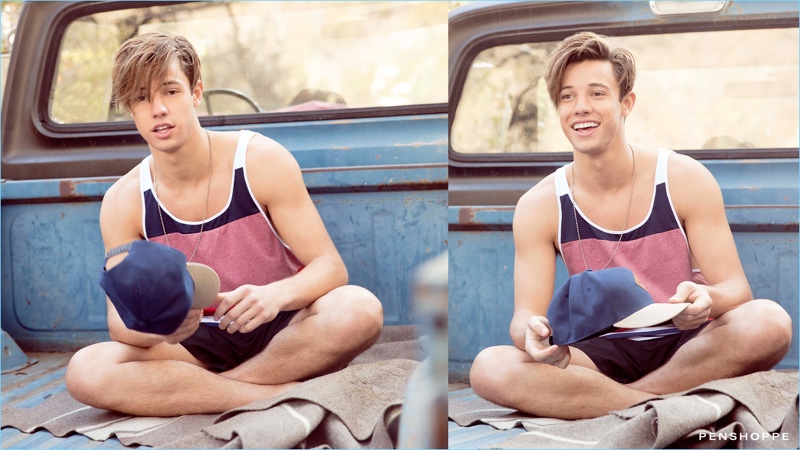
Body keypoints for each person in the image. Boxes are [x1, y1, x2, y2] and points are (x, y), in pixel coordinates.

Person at [468, 31, 792, 420]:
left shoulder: (683, 178)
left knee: (770, 321)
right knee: (490, 368)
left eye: (597, 94)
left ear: (627, 103)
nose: (580, 108)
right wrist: (532, 334)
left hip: (687, 343)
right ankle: (655, 405)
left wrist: (706, 302)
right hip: (597, 353)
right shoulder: (538, 205)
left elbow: (737, 290)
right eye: (567, 96)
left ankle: (626, 401)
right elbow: (524, 318)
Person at [65, 32, 384, 416]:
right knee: (86, 370)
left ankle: (218, 392)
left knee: (360, 309)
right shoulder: (123, 200)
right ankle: (273, 394)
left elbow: (331, 268)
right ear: (129, 109)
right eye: (140, 98)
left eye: (170, 91)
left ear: (196, 91)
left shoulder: (261, 160)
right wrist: (162, 329)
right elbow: (120, 322)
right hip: (191, 346)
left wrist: (275, 296)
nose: (158, 109)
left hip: (280, 330)